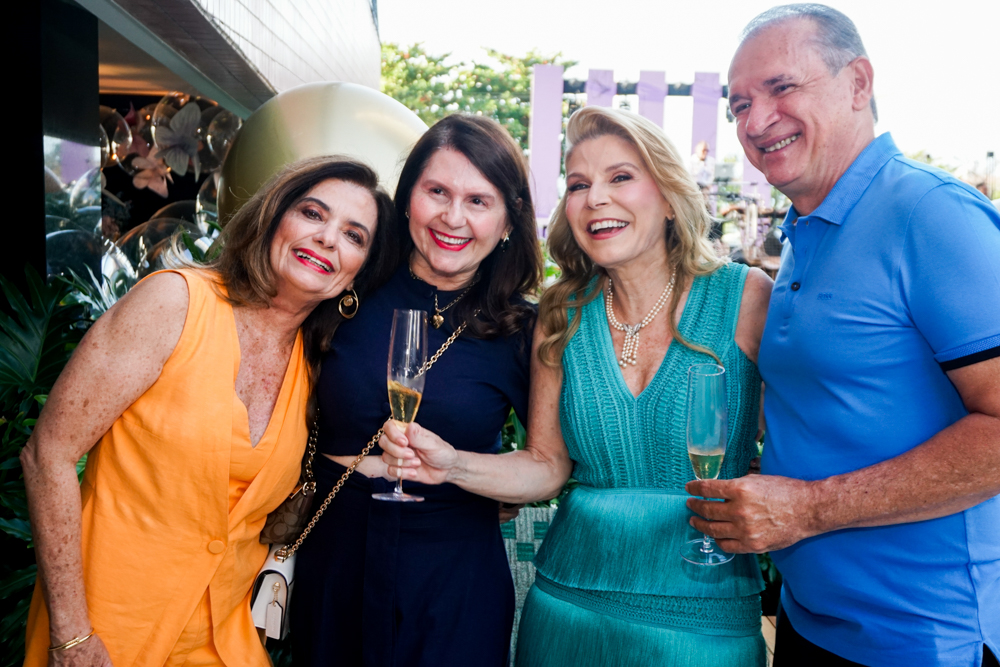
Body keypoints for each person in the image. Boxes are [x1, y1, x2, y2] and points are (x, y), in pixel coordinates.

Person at [381, 106, 773, 666]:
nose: (595, 199)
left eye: (620, 178)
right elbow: (545, 466)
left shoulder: (748, 298)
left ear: (667, 196)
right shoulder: (562, 312)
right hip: (566, 612)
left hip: (705, 619)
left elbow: (807, 442)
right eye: (579, 184)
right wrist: (452, 465)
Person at [688, 5, 1000, 666]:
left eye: (780, 88)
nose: (755, 120)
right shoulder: (808, 231)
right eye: (739, 104)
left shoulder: (931, 214)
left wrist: (806, 507)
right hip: (812, 624)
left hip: (921, 640)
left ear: (858, 83)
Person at [20, 157, 397, 666]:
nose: (329, 238)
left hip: (225, 640)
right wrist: (70, 635)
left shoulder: (318, 368)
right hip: (106, 632)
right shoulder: (175, 302)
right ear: (273, 218)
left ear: (358, 274)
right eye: (313, 213)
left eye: (355, 236)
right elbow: (49, 455)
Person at [290, 115, 544, 667]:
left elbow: (547, 467)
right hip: (334, 550)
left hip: (455, 571)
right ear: (407, 199)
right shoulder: (345, 281)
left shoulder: (522, 327)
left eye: (479, 200)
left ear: (508, 219)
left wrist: (457, 467)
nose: (454, 218)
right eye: (437, 192)